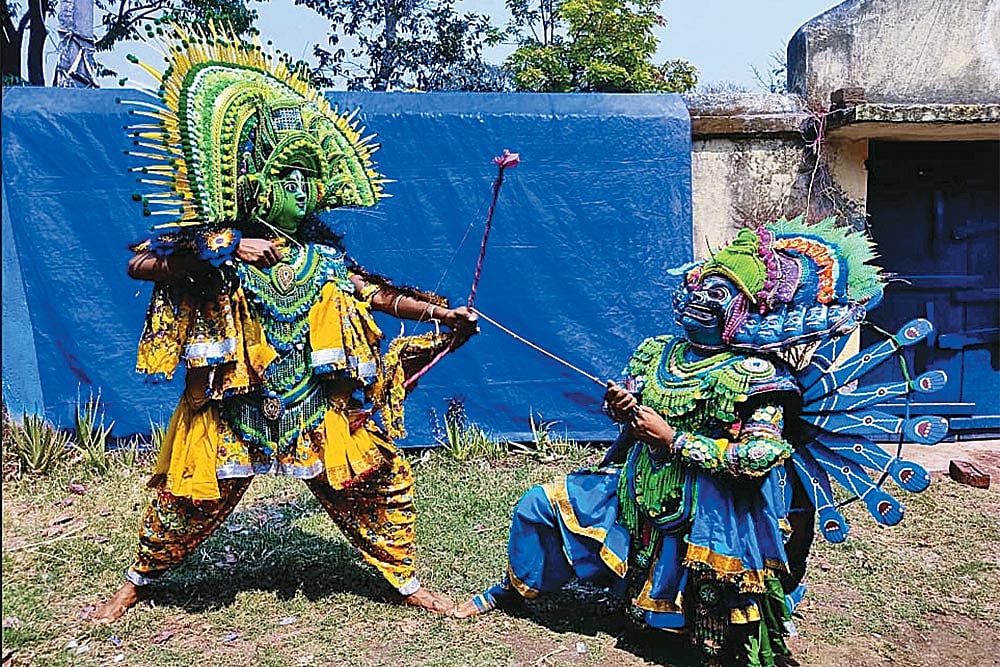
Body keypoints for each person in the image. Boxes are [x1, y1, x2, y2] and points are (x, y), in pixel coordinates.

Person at [94, 24, 477, 623]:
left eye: (306, 179)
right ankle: (137, 584)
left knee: (375, 486)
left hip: (314, 404)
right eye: (284, 177)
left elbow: (374, 293)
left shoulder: (323, 256)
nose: (298, 191)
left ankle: (407, 583)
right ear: (253, 184)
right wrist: (227, 247)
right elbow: (140, 264)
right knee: (184, 499)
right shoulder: (215, 245)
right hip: (233, 404)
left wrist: (439, 312)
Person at [454, 217, 948, 667]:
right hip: (638, 484)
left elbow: (759, 457)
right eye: (700, 284)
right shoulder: (658, 352)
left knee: (715, 628)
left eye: (719, 291)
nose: (700, 297)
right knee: (539, 505)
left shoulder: (755, 375)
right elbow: (630, 403)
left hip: (712, 506)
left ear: (745, 309)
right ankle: (514, 590)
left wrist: (673, 439)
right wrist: (621, 406)